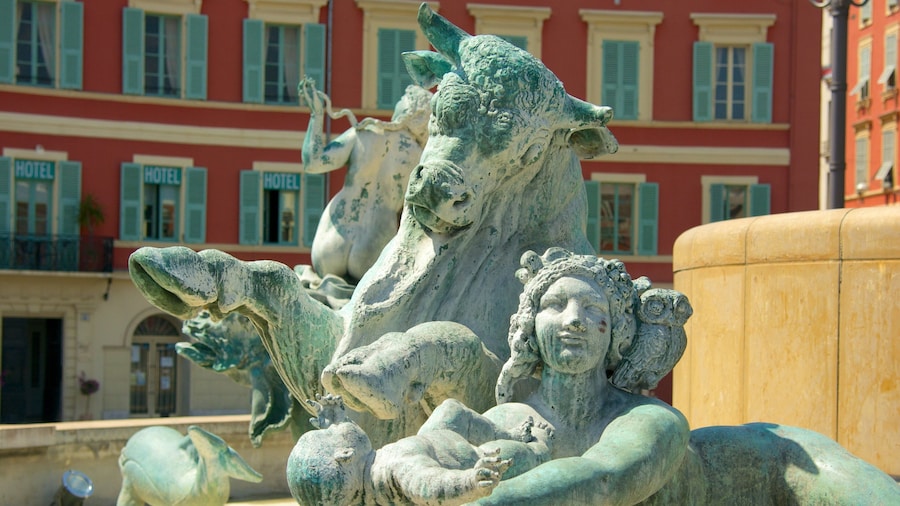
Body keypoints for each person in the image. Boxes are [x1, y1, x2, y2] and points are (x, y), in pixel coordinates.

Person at [286, 393, 552, 506]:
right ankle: (539, 446)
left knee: (451, 410)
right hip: (468, 457)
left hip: (433, 441)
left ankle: (510, 432)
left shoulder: (369, 473)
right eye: (333, 432)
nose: (339, 425)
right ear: (345, 456)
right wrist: (471, 480)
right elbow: (432, 487)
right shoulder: (399, 469)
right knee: (514, 454)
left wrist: (336, 420)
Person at [299, 78, 432, 284]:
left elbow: (313, 163)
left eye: (403, 99)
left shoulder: (365, 134)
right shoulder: (421, 160)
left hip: (332, 241)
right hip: (373, 249)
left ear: (409, 108)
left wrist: (317, 114)